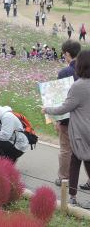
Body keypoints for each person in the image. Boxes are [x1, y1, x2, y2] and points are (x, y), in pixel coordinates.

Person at [43, 50, 90, 207]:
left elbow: (65, 108)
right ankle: (72, 196)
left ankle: (72, 197)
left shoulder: (78, 86)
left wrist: (47, 109)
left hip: (81, 132)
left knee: (76, 162)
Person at [53, 40, 81, 187]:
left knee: (66, 149)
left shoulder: (65, 72)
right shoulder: (86, 70)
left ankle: (64, 179)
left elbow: (60, 99)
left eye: (64, 54)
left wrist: (57, 120)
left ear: (68, 54)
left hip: (68, 119)